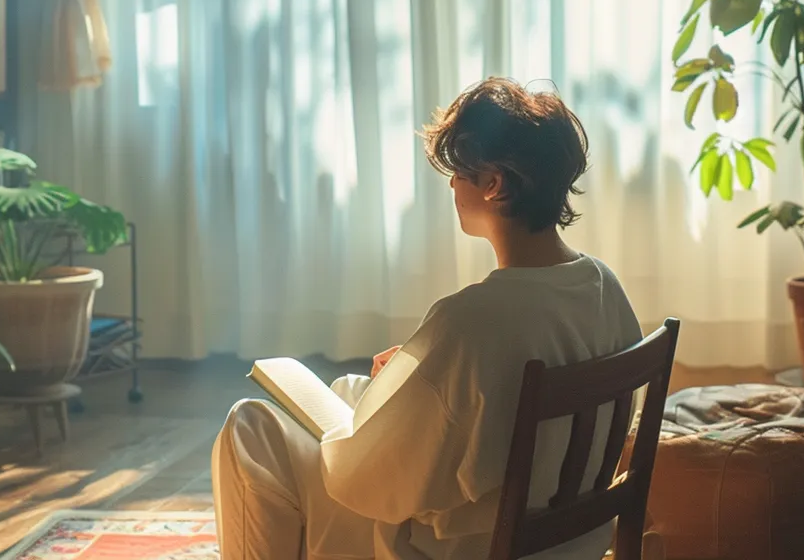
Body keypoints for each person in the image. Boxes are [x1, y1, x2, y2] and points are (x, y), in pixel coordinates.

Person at [212, 78, 644, 559]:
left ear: (493, 184)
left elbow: (364, 482)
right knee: (353, 391)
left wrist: (400, 399)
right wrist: (420, 375)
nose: (453, 187)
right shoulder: (604, 285)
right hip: (569, 543)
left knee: (252, 427)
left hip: (462, 549)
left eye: (458, 174)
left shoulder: (470, 320)